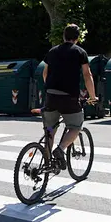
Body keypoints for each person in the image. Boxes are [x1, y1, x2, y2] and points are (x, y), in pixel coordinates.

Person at [41, 23, 98, 171]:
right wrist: (92, 96)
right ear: (78, 38)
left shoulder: (52, 51)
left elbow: (45, 73)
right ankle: (60, 149)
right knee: (75, 126)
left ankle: (46, 165)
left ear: (63, 36)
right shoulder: (80, 52)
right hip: (69, 98)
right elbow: (87, 75)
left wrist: (50, 88)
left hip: (51, 96)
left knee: (50, 130)